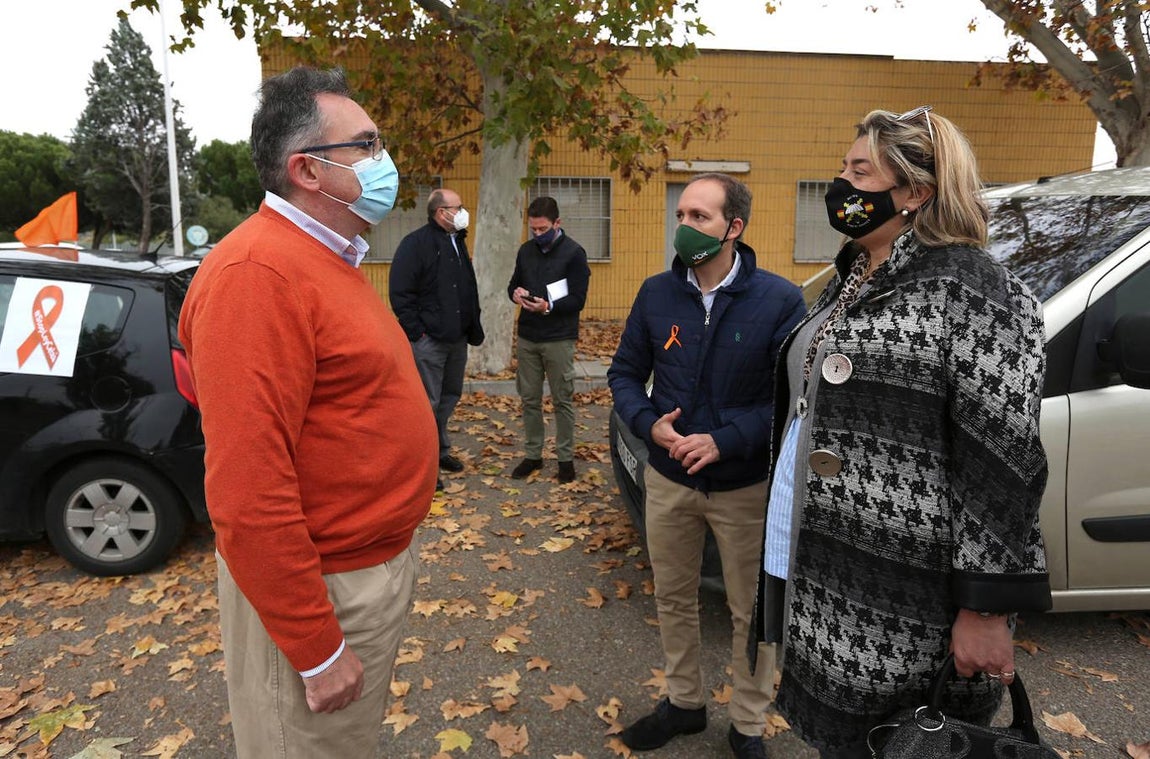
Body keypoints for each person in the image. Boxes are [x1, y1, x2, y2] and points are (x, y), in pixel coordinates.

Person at [749, 107, 1052, 759]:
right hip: (825, 565)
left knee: (906, 743)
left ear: (917, 191)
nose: (842, 183)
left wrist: (987, 608)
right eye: (842, 167)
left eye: (860, 170)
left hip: (907, 598)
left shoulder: (975, 289)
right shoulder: (853, 276)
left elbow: (1003, 462)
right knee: (847, 742)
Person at [178, 66, 438, 759]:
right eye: (366, 144)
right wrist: (318, 649)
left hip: (361, 569)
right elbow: (247, 493)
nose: (384, 159)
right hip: (327, 588)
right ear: (307, 171)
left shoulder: (326, 258)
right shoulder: (257, 278)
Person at [608, 173, 806, 759]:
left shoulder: (779, 300)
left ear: (734, 228)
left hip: (744, 488)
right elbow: (623, 374)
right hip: (669, 481)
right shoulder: (655, 293)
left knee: (750, 609)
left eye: (701, 217)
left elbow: (790, 401)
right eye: (682, 214)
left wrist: (724, 441)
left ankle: (748, 724)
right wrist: (650, 426)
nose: (685, 226)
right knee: (672, 595)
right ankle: (685, 703)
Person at [390, 187, 484, 486]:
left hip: (457, 339)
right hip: (430, 341)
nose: (462, 212)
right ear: (441, 212)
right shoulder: (415, 244)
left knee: (448, 398)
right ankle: (426, 467)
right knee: (426, 404)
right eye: (458, 207)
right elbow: (401, 294)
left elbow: (464, 287)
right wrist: (418, 333)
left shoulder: (456, 240)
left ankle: (440, 450)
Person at [506, 196, 590, 483]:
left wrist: (549, 307)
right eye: (534, 230)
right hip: (528, 336)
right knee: (529, 399)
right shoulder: (525, 251)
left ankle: (565, 459)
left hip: (558, 338)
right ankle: (533, 455)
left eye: (543, 229)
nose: (538, 235)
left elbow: (578, 299)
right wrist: (516, 293)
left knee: (561, 400)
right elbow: (512, 284)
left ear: (557, 223)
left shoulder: (575, 254)